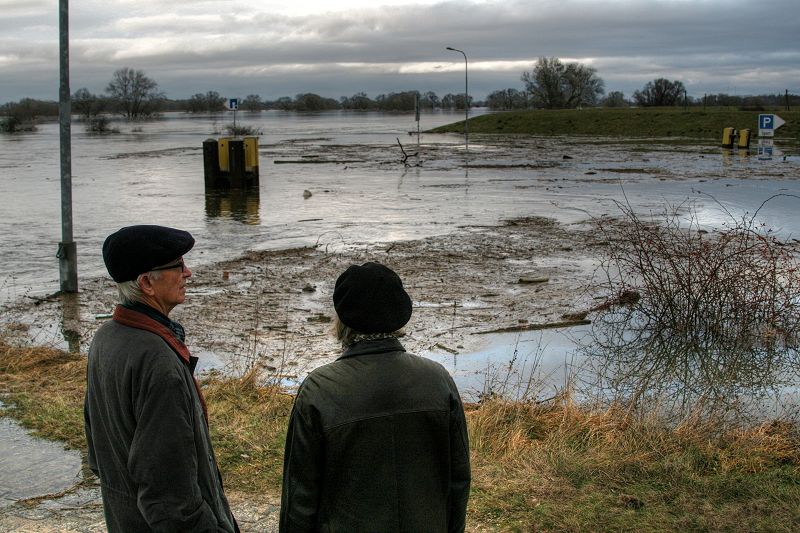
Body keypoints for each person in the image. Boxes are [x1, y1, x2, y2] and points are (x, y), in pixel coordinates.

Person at [280, 262, 471, 532]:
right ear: (400, 315)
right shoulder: (438, 380)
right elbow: (459, 480)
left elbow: (300, 497)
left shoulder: (319, 390)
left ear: (342, 319)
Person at [84, 225, 239, 533]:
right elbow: (171, 500)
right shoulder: (158, 363)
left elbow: (96, 454)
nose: (188, 272)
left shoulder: (106, 338)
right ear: (147, 283)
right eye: (177, 266)